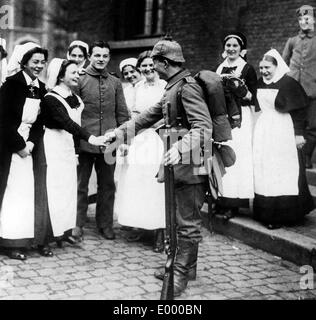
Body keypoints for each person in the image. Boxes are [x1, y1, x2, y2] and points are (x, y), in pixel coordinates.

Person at [105, 37, 212, 297]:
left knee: (186, 220)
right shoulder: (172, 87)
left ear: (165, 63)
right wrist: (118, 134)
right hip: (178, 156)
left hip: (190, 158)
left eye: (155, 62)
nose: (152, 67)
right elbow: (146, 117)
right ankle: (188, 268)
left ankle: (178, 275)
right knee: (179, 216)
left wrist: (179, 147)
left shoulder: (187, 88)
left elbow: (204, 127)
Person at [42, 58, 106, 248]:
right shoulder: (51, 99)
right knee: (53, 190)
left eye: (78, 72)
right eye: (73, 72)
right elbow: (67, 123)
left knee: (68, 190)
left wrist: (78, 151)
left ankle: (63, 231)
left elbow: (75, 127)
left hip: (68, 147)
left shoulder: (76, 98)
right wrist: (92, 139)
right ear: (61, 76)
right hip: (53, 146)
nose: (78, 75)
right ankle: (46, 236)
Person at [253, 49, 315, 229]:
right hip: (265, 129)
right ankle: (265, 211)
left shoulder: (289, 84)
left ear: (277, 66)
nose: (264, 71)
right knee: (265, 168)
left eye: (267, 67)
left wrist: (299, 134)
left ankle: (284, 214)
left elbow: (300, 111)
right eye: (261, 67)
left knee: (282, 170)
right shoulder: (260, 83)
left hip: (283, 130)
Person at [75, 41, 130, 241]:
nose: (101, 60)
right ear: (90, 56)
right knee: (81, 184)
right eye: (97, 55)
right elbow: (73, 112)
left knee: (107, 185)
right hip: (85, 140)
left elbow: (122, 113)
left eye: (105, 56)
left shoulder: (115, 82)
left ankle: (105, 224)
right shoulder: (79, 79)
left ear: (109, 58)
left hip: (109, 143)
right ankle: (77, 223)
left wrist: (123, 139)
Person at [0, 42, 49, 260]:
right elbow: (3, 120)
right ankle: (10, 241)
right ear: (24, 63)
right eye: (35, 62)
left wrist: (31, 143)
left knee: (32, 192)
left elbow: (40, 122)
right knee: (13, 193)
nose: (39, 66)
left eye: (42, 62)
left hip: (31, 148)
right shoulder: (10, 85)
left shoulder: (41, 88)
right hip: (9, 147)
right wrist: (19, 145)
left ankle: (32, 238)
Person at [114, 51, 166, 252]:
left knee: (156, 185)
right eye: (144, 66)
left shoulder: (165, 86)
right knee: (139, 183)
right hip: (140, 139)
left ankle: (160, 232)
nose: (148, 69)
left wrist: (153, 126)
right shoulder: (138, 88)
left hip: (159, 138)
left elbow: (167, 112)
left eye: (151, 65)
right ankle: (144, 226)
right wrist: (128, 139)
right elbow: (134, 115)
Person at [215, 32, 257, 220]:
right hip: (223, 116)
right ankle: (221, 199)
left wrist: (239, 89)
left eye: (235, 46)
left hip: (241, 117)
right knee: (223, 153)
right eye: (228, 45)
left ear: (241, 49)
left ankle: (235, 204)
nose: (231, 49)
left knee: (237, 155)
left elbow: (253, 97)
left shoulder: (247, 68)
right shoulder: (220, 67)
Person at [282, 5, 316, 169]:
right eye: (301, 19)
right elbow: (283, 63)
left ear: (314, 20)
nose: (303, 22)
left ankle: (306, 158)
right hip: (294, 90)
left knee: (311, 126)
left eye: (307, 18)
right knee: (293, 125)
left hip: (312, 90)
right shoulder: (292, 41)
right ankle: (292, 158)